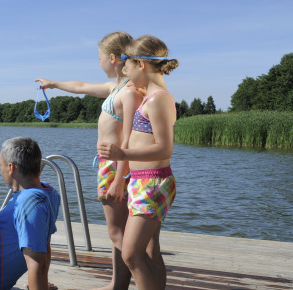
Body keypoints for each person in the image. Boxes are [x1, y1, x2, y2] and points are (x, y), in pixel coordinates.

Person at [35, 31, 142, 290]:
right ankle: (118, 284)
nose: (99, 63)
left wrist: (119, 178)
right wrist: (54, 83)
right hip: (109, 165)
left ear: (113, 58)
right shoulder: (114, 87)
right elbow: (81, 86)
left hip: (118, 167)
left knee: (118, 233)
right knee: (118, 231)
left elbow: (128, 140)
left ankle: (144, 281)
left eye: (100, 58)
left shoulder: (128, 91)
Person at [97, 34, 179, 290]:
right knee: (143, 251)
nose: (124, 70)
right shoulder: (149, 96)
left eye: (127, 65)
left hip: (153, 183)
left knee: (131, 253)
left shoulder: (158, 100)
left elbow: (165, 148)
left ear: (140, 64)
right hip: (142, 182)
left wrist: (123, 155)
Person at [0, 137, 60, 290]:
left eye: (0, 165)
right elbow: (45, 247)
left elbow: (37, 262)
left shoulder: (29, 202)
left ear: (11, 167)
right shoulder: (49, 193)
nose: (0, 171)